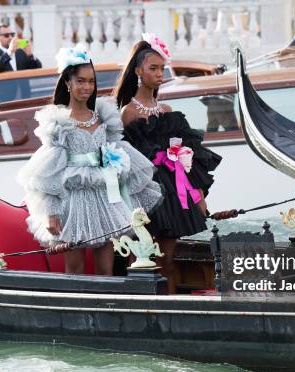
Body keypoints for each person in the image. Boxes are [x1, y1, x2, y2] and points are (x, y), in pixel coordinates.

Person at [17, 44, 162, 276]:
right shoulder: (59, 123)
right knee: (74, 268)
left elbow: (118, 151)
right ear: (68, 83)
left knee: (106, 268)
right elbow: (47, 171)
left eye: (91, 81)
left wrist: (118, 168)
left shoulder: (104, 117)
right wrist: (52, 212)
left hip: (103, 198)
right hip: (72, 201)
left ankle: (108, 308)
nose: (86, 87)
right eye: (81, 81)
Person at [114, 33, 222, 293]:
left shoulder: (169, 112)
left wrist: (198, 197)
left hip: (173, 192)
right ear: (139, 71)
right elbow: (128, 159)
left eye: (162, 69)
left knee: (168, 261)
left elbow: (187, 159)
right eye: (153, 68)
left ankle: (171, 305)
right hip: (144, 192)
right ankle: (138, 305)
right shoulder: (128, 112)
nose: (160, 74)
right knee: (140, 255)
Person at [0, 23, 42, 105]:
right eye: (6, 35)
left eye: (12, 34)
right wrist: (9, 52)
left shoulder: (20, 53)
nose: (10, 37)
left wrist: (30, 54)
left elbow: (37, 68)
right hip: (0, 102)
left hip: (23, 99)